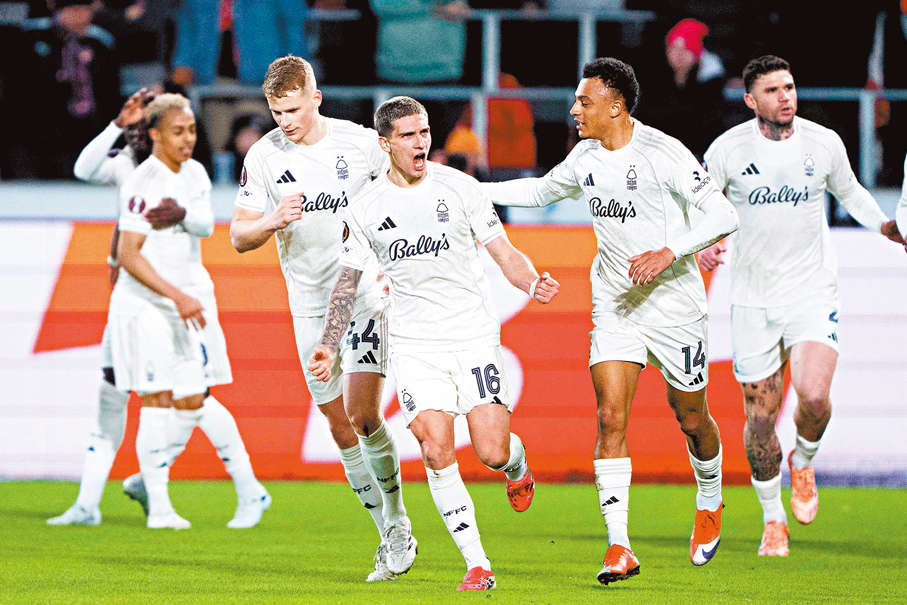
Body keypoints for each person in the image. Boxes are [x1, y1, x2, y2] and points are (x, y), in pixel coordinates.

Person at [480, 57, 739, 583]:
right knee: (610, 417)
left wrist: (670, 251)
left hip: (674, 306)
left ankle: (710, 497)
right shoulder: (585, 157)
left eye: (585, 101)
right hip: (617, 303)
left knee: (692, 418)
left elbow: (724, 215)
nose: (575, 110)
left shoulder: (663, 153)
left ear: (617, 107)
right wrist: (471, 190)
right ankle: (620, 546)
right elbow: (539, 191)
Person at [307, 95, 559, 592]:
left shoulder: (461, 188)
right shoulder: (365, 207)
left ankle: (517, 463)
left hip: (472, 336)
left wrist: (532, 282)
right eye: (408, 135)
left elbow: (505, 252)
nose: (421, 142)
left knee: (491, 451)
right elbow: (347, 282)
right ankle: (477, 564)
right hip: (413, 343)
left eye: (424, 132)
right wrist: (329, 344)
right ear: (385, 145)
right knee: (433, 445)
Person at [700, 55, 905, 557]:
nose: (785, 97)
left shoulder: (823, 143)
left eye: (789, 87)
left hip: (812, 291)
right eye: (772, 91)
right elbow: (701, 206)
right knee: (761, 419)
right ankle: (773, 519)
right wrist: (704, 244)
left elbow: (850, 192)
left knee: (813, 397)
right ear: (751, 100)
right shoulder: (727, 150)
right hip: (752, 300)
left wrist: (884, 226)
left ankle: (804, 459)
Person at [48, 89, 271, 530]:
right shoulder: (133, 173)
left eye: (191, 129)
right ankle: (117, 503)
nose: (188, 138)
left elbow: (204, 224)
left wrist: (182, 214)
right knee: (131, 395)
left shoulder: (194, 172)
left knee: (193, 399)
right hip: (144, 302)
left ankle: (228, 489)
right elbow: (89, 179)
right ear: (153, 132)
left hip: (184, 298)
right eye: (178, 130)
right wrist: (116, 123)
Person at [229, 55, 414, 582]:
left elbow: (406, 191)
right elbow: (239, 236)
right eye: (276, 111)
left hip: (364, 294)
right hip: (308, 304)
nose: (284, 121)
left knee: (363, 415)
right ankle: (388, 530)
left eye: (292, 110)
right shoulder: (264, 157)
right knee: (338, 425)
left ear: (316, 98)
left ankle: (397, 519)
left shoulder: (359, 144)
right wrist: (272, 219)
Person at [3, 0, 121, 179]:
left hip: (82, 132)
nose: (82, 17)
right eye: (75, 10)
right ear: (58, 10)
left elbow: (109, 93)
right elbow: (15, 90)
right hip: (33, 134)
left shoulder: (100, 42)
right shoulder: (29, 37)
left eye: (87, 10)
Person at [632, 18, 732, 162]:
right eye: (673, 48)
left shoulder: (710, 85)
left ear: (696, 54)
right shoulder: (655, 79)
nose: (678, 55)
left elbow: (706, 127)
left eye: (686, 49)